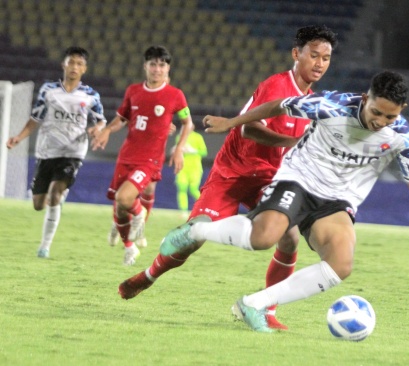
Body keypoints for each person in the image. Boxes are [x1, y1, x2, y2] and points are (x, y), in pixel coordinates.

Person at [161, 70, 409, 333]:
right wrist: (232, 123)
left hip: (336, 201)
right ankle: (197, 232)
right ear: (366, 99)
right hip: (299, 179)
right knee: (263, 238)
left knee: (340, 265)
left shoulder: (403, 137)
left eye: (389, 118)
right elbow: (279, 105)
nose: (380, 122)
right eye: (376, 112)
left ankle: (253, 304)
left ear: (401, 112)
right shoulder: (330, 105)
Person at [118, 25, 338, 330]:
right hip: (233, 173)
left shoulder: (312, 103)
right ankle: (148, 276)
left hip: (268, 180)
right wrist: (291, 143)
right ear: (295, 54)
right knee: (195, 238)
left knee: (288, 238)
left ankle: (266, 310)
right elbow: (247, 128)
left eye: (325, 58)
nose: (319, 63)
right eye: (313, 55)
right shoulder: (276, 87)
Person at [90, 45, 193, 265]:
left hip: (150, 160)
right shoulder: (133, 91)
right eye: (153, 64)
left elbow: (188, 123)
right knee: (119, 207)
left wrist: (179, 149)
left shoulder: (175, 95)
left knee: (125, 198)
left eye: (162, 65)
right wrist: (107, 130)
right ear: (145, 66)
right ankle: (130, 247)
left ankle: (139, 217)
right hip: (127, 155)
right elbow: (122, 119)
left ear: (168, 69)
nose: (157, 69)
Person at [5, 46, 107, 259]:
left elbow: (101, 120)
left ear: (84, 69)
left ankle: (45, 246)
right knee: (38, 204)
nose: (74, 67)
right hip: (47, 151)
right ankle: (55, 198)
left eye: (79, 64)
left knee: (54, 195)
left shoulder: (90, 95)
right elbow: (36, 118)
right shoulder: (48, 91)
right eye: (71, 62)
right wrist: (19, 137)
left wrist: (97, 130)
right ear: (64, 65)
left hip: (73, 151)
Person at [173, 128, 207, 218]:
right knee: (182, 189)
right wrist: (176, 150)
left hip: (195, 168)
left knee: (193, 189)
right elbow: (177, 150)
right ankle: (183, 212)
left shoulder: (198, 137)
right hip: (182, 168)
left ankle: (204, 208)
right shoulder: (179, 137)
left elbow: (204, 152)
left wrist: (193, 151)